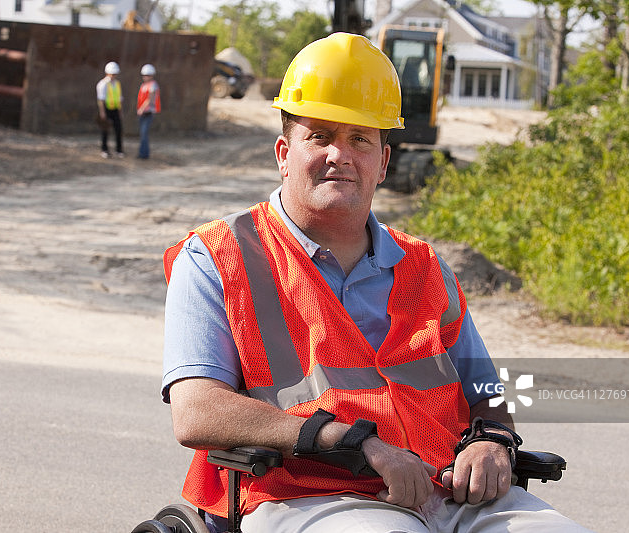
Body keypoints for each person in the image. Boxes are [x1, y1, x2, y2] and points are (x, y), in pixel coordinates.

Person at [161, 33, 593, 533]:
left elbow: (485, 392)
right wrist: (354, 442)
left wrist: (491, 439)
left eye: (360, 139)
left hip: (451, 492)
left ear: (383, 162)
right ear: (283, 154)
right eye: (319, 135)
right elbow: (197, 412)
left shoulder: (424, 266)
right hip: (309, 494)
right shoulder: (218, 257)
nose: (339, 154)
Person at [96, 61, 124, 158]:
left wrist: (120, 111)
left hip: (115, 109)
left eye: (115, 74)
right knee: (105, 130)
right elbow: (101, 100)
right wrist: (102, 112)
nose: (113, 76)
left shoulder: (117, 84)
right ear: (107, 73)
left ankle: (119, 150)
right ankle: (104, 150)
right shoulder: (103, 84)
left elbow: (120, 98)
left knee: (118, 130)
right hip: (106, 109)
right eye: (112, 74)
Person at [136, 63, 161, 160]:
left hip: (148, 112)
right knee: (143, 134)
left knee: (144, 133)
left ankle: (144, 154)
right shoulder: (143, 85)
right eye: (144, 75)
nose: (145, 77)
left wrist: (142, 109)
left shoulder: (153, 85)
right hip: (142, 113)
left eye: (148, 75)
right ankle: (142, 153)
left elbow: (150, 99)